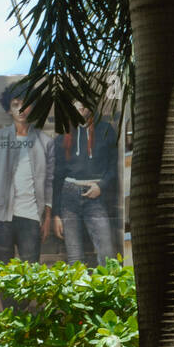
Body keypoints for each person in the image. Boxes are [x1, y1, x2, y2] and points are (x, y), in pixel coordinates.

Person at [0, 84, 55, 266]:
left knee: (30, 276)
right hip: (0, 215)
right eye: (15, 104)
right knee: (5, 273)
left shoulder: (45, 142)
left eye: (26, 103)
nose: (21, 109)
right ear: (8, 109)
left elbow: (50, 182)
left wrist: (48, 218)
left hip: (31, 216)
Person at [52, 104, 118, 265]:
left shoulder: (106, 130)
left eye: (83, 103)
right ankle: (79, 289)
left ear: (91, 106)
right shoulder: (63, 137)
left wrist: (101, 186)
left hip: (95, 195)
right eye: (75, 104)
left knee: (107, 253)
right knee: (75, 257)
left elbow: (113, 167)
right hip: (68, 197)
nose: (80, 108)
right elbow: (57, 178)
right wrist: (56, 214)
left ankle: (106, 289)